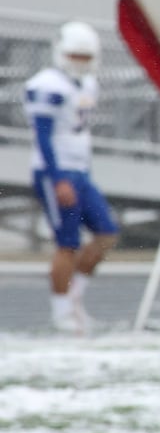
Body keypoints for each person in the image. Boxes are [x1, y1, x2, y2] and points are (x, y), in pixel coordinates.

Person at [25, 20, 118, 334]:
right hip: (57, 172)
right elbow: (43, 136)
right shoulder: (46, 85)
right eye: (75, 56)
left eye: (85, 56)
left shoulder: (88, 85)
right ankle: (61, 311)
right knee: (67, 244)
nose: (80, 63)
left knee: (106, 234)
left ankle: (74, 299)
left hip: (80, 170)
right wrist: (57, 178)